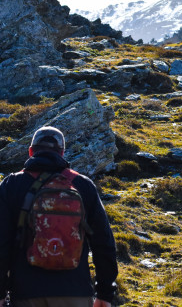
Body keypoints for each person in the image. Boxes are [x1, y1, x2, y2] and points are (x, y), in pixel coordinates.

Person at [0, 126, 118, 307]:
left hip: (26, 294)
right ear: (62, 153)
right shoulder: (82, 185)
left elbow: (2, 243)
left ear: (31, 151)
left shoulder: (11, 184)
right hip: (76, 293)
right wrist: (105, 292)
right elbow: (104, 242)